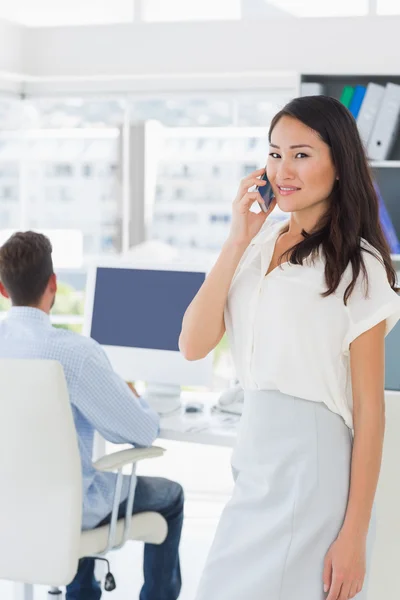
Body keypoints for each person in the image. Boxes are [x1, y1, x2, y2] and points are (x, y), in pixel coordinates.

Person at [179, 95, 400, 600]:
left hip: (311, 466)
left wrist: (354, 535)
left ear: (339, 164)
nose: (284, 169)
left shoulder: (358, 266)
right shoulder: (256, 244)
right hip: (255, 461)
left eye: (301, 154)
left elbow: (370, 412)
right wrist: (237, 239)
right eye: (275, 153)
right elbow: (193, 344)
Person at [0, 231, 183, 600]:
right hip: (66, 510)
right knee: (170, 496)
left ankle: (82, 591)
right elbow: (141, 432)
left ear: (3, 290)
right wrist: (135, 398)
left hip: (7, 504)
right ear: (53, 284)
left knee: (73, 481)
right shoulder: (76, 355)